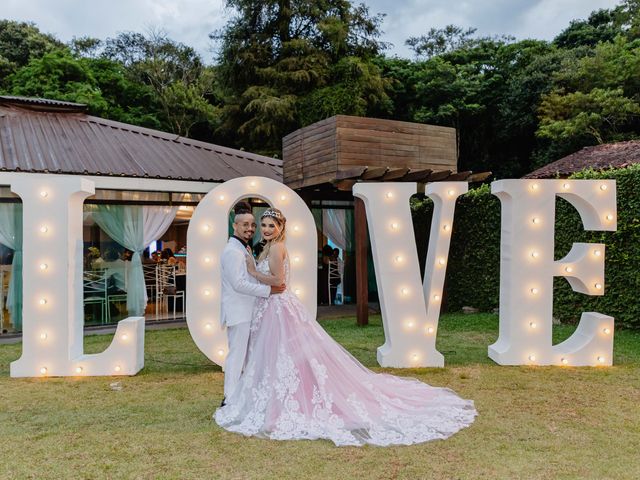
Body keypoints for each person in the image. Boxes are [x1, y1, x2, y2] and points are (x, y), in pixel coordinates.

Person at [214, 208, 477, 447]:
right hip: (269, 308)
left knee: (286, 356)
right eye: (263, 225)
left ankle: (284, 402)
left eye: (271, 225)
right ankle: (269, 400)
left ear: (281, 228)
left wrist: (253, 271)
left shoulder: (276, 249)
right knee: (275, 357)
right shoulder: (264, 247)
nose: (265, 229)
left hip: (277, 307)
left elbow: (278, 282)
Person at [219, 201, 285, 406]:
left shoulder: (244, 247)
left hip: (251, 310)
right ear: (234, 226)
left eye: (252, 224)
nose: (250, 228)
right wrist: (268, 291)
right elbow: (238, 284)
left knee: (248, 356)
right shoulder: (232, 251)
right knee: (236, 356)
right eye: (244, 224)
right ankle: (229, 398)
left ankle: (244, 394)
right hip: (239, 312)